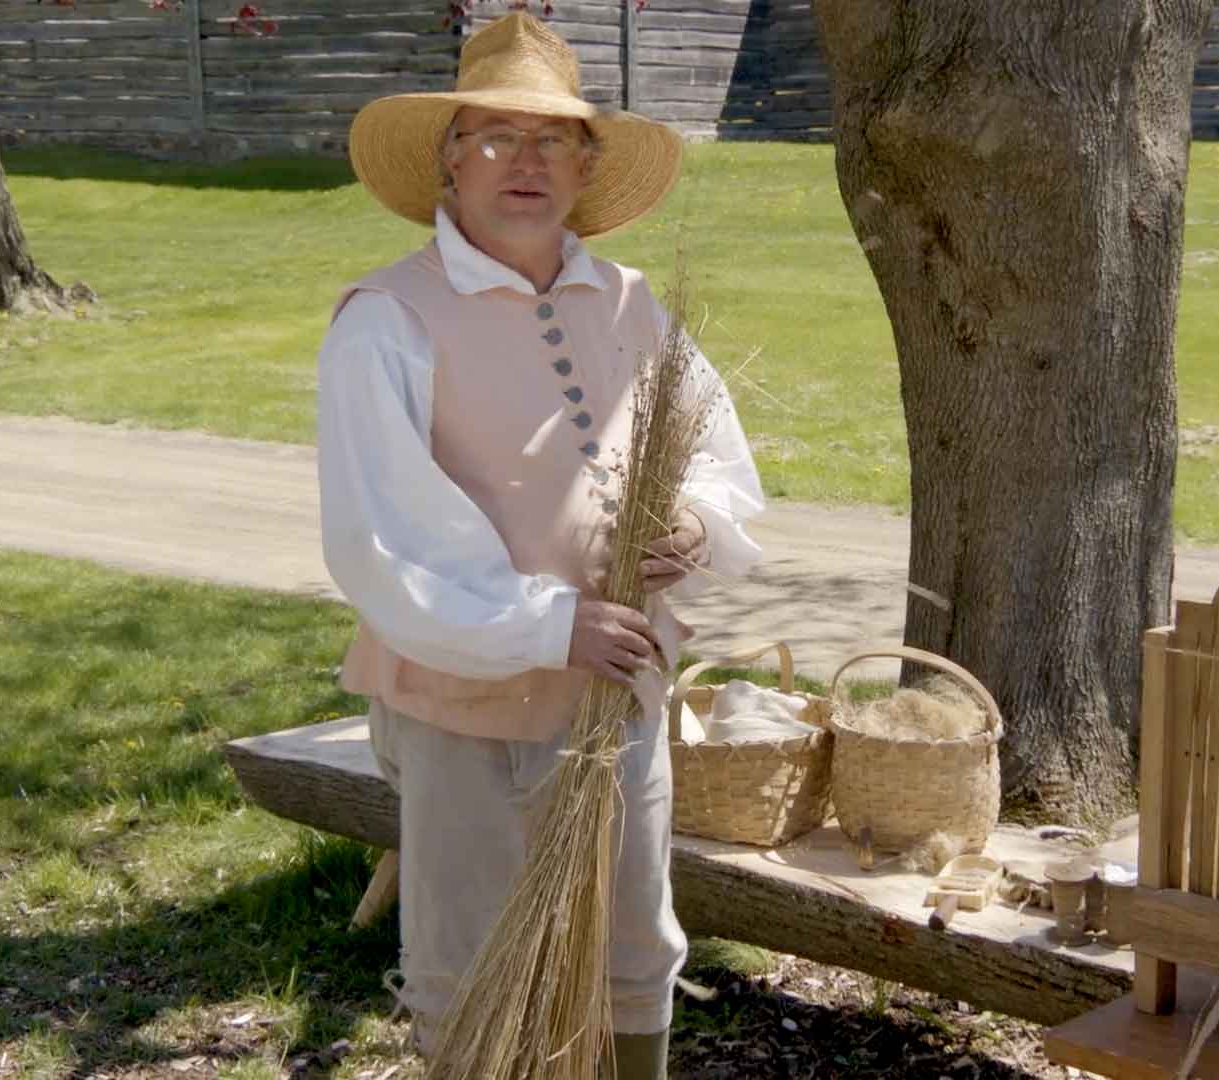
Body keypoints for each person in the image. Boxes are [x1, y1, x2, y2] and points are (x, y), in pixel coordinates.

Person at [314, 12, 765, 1078]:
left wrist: (693, 524)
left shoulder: (634, 308)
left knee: (632, 945)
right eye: (495, 136)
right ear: (448, 160)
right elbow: (382, 537)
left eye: (553, 138)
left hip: (620, 701)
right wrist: (550, 626)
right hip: (464, 704)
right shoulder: (390, 320)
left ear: (585, 166)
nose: (526, 162)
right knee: (469, 956)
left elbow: (720, 462)